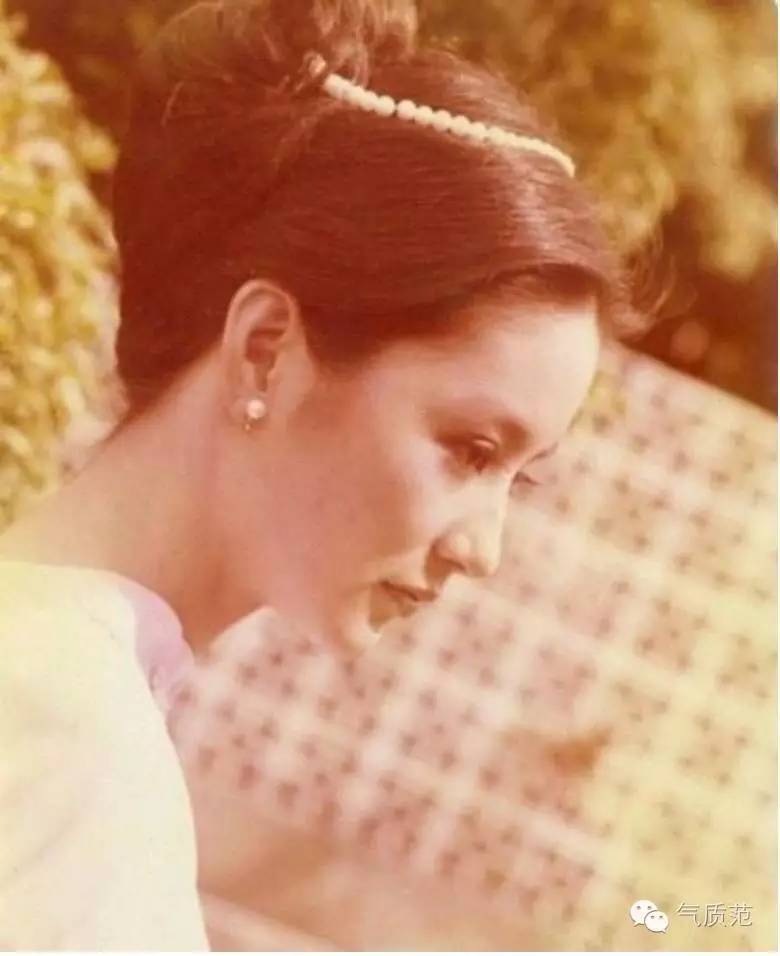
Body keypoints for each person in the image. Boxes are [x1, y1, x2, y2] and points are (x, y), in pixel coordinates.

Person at [0, 0, 643, 948]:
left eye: (521, 478)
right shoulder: (71, 739)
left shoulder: (58, 683)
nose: (485, 551)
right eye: (471, 450)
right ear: (265, 349)